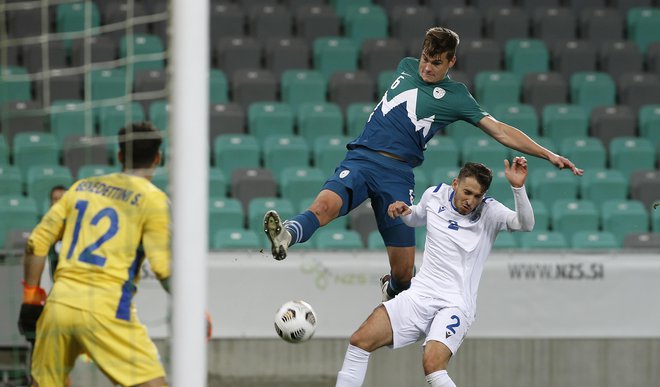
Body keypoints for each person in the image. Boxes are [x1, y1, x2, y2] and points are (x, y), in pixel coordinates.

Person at [263, 26, 582, 301]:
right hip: (362, 158)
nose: (427, 68)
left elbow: (500, 130)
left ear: (451, 62)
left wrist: (548, 154)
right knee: (324, 206)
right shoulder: (405, 67)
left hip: (398, 176)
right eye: (425, 59)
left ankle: (392, 290)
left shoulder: (457, 97)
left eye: (437, 63)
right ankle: (286, 236)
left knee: (404, 273)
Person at [335, 158, 534, 387]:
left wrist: (518, 188)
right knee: (359, 341)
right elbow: (415, 217)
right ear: (455, 183)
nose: (471, 201)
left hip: (455, 304)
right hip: (420, 295)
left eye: (477, 196)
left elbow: (525, 224)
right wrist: (404, 211)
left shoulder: (490, 211)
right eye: (467, 192)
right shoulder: (435, 194)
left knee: (433, 365)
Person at [17, 122, 172, 387]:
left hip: (60, 304)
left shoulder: (82, 187)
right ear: (158, 158)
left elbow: (35, 242)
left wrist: (31, 298)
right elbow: (163, 269)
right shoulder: (154, 200)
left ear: (120, 155)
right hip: (107, 307)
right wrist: (192, 309)